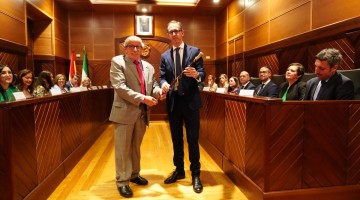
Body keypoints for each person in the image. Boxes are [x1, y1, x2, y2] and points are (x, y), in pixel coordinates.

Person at [109, 35, 162, 198]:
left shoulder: (148, 67)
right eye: (131, 46)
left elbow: (153, 85)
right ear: (125, 48)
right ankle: (122, 182)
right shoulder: (117, 62)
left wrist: (158, 92)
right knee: (122, 148)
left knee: (135, 147)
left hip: (142, 113)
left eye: (138, 46)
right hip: (124, 111)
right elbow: (119, 87)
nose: (135, 49)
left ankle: (134, 174)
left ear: (143, 49)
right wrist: (143, 98)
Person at [160, 20, 205, 193]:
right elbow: (163, 76)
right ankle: (179, 170)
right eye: (171, 32)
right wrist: (163, 84)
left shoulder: (195, 51)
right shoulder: (164, 56)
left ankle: (195, 174)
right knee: (176, 139)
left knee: (193, 139)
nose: (174, 34)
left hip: (191, 103)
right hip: (174, 103)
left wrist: (196, 74)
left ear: (182, 32)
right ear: (168, 34)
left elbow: (202, 73)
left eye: (177, 31)